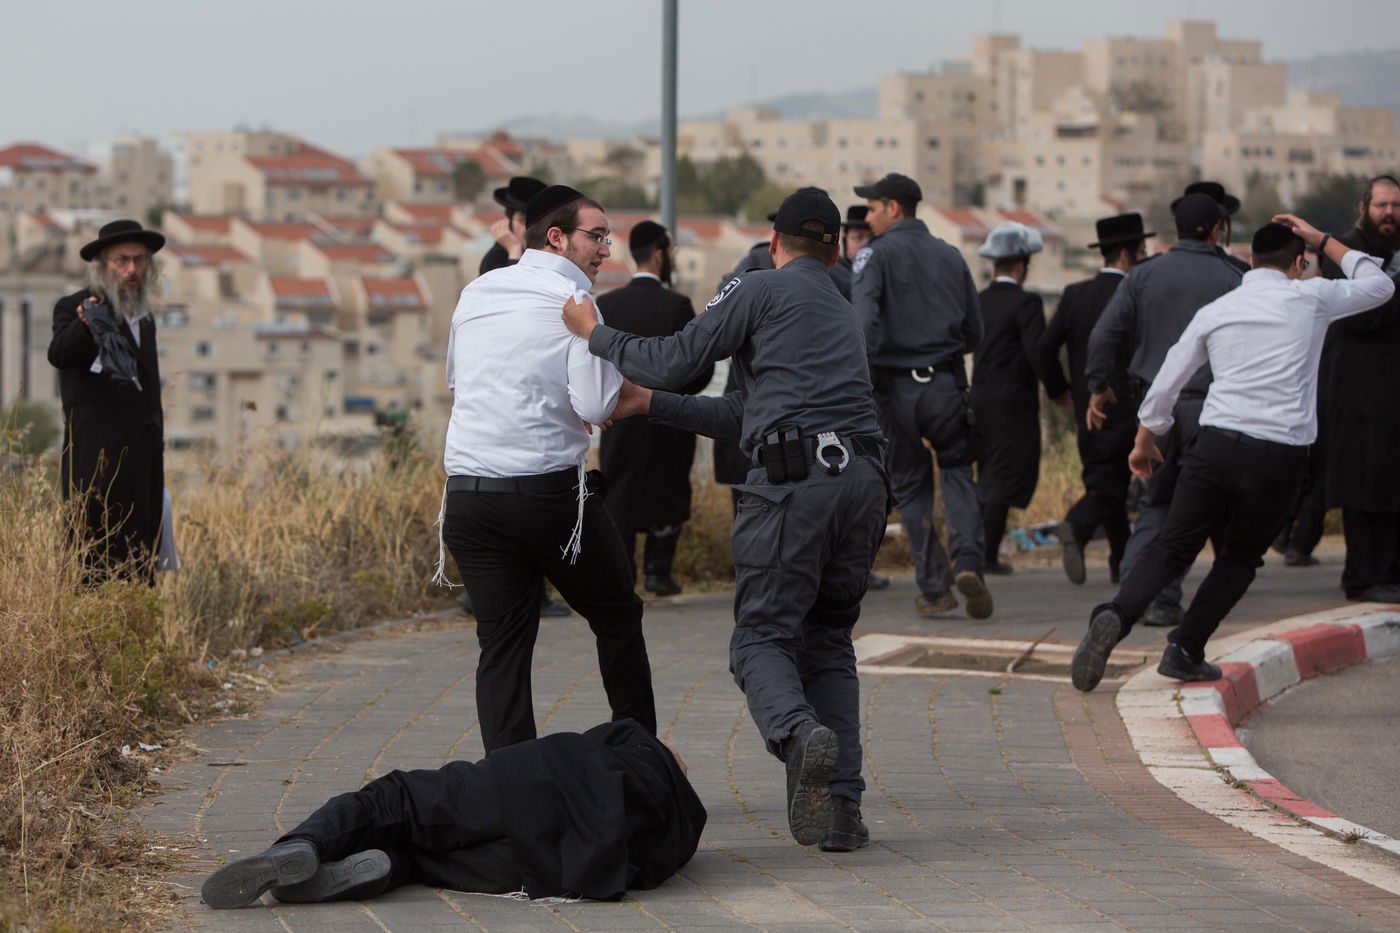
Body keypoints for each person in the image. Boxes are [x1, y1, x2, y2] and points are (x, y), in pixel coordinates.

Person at [563, 187, 888, 853]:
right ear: (833, 248)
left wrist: (593, 334)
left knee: (760, 640)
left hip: (795, 489)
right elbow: (747, 414)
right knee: (827, 641)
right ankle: (842, 811)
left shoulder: (759, 288)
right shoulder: (842, 306)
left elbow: (679, 358)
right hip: (863, 484)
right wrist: (651, 406)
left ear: (775, 244)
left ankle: (799, 735)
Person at [1071, 218, 1394, 692]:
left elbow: (1168, 379)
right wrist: (1321, 237)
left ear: (1250, 261)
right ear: (1298, 263)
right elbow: (1380, 284)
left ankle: (1116, 616)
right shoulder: (1313, 296)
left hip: (1216, 446)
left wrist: (1145, 442)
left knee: (1173, 547)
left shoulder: (1218, 309)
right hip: (1281, 459)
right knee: (1240, 557)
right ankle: (1185, 649)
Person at [438, 184, 657, 753]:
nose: (606, 249)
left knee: (503, 649)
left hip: (466, 499)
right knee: (617, 617)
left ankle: (512, 796)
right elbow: (595, 406)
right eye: (597, 236)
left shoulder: (476, 291)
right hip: (547, 500)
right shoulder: (575, 301)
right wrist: (606, 400)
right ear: (556, 237)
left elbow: (460, 383)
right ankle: (641, 763)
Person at [199, 720, 705, 909]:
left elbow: (585, 742)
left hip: (524, 789)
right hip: (554, 868)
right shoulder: (681, 835)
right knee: (419, 861)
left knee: (395, 800)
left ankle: (299, 846)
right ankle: (359, 874)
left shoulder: (633, 742)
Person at [1083, 192, 1243, 627]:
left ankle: (1136, 593)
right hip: (1214, 411)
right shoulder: (1235, 277)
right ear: (1216, 229)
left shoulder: (1143, 274)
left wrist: (1098, 388)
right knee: (1198, 506)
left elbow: (1102, 336)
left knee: (1156, 502)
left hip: (1154, 409)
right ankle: (1166, 596)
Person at [852, 173, 992, 619]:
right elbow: (975, 331)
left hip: (895, 391)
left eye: (872, 208)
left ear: (894, 208)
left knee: (912, 485)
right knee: (957, 473)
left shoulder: (874, 254)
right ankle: (969, 561)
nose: (867, 218)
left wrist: (864, 375)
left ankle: (934, 587)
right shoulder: (951, 255)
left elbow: (865, 323)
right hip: (947, 386)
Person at [47, 219, 168, 584]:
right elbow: (60, 353)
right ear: (103, 266)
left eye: (139, 260)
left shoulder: (143, 317)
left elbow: (148, 395)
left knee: (140, 561)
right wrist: (85, 325)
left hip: (143, 462)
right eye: (121, 261)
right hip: (98, 462)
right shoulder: (74, 307)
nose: (132, 270)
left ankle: (138, 635)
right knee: (96, 561)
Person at [597, 220, 713, 596]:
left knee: (621, 491)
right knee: (668, 490)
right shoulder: (677, 305)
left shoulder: (607, 304)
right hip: (668, 416)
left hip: (619, 418)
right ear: (661, 255)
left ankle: (623, 573)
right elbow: (697, 365)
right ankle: (659, 573)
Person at [1036, 213, 1152, 585]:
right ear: (1125, 254)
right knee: (1109, 487)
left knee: (1108, 485)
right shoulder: (1135, 294)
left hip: (1084, 406)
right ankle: (1077, 524)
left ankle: (1122, 562)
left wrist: (1060, 391)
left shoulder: (1075, 295)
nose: (1146, 255)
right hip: (1124, 404)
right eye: (1142, 250)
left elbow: (1044, 350)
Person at [1317, 174, 1400, 601]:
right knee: (1363, 487)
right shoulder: (1344, 252)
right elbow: (1357, 315)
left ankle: (1388, 573)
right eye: (1382, 205)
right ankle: (1364, 577)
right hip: (1357, 390)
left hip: (1390, 393)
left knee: (1389, 486)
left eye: (1396, 206)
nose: (1389, 214)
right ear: (1364, 206)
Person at [970, 221, 1059, 574]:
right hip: (1013, 402)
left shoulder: (978, 300)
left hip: (979, 397)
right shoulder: (1027, 303)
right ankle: (986, 556)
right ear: (1021, 265)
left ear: (994, 264)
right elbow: (1039, 351)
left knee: (985, 474)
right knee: (1003, 479)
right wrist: (1058, 390)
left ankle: (972, 550)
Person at [478, 175, 547, 276]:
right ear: (506, 221)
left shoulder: (550, 254)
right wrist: (514, 251)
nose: (529, 227)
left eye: (536, 220)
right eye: (523, 220)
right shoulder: (494, 260)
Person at [827, 205, 872, 300]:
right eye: (858, 237)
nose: (865, 244)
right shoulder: (832, 273)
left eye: (872, 238)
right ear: (845, 240)